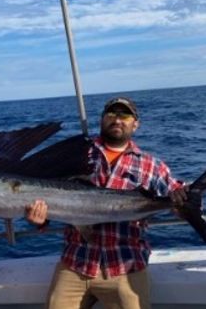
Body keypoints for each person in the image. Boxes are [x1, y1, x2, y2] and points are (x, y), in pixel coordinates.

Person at [26, 96, 187, 309]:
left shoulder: (151, 165)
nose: (117, 119)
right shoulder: (77, 154)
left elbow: (179, 197)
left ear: (135, 124)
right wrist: (39, 221)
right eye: (111, 113)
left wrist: (183, 199)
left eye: (125, 115)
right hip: (75, 263)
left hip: (125, 265)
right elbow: (51, 198)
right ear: (102, 119)